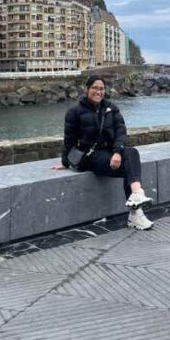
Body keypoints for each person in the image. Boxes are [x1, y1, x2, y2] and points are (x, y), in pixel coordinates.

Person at [53, 75, 154, 230]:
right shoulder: (74, 112)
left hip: (110, 152)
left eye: (101, 89)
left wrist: (117, 152)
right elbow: (69, 140)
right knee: (130, 167)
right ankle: (136, 214)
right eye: (95, 88)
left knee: (132, 153)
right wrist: (65, 162)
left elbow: (121, 132)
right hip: (90, 157)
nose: (98, 92)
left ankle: (136, 196)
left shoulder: (111, 108)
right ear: (86, 89)